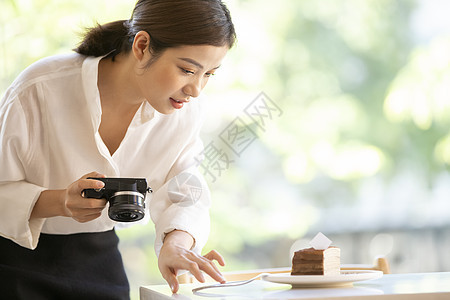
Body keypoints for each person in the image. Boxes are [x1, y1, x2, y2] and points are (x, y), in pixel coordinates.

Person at [0, 0, 236, 298]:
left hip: (100, 262)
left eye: (209, 74)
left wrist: (175, 245)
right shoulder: (40, 88)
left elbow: (184, 190)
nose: (196, 89)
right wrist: (61, 201)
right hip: (14, 263)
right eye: (187, 70)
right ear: (141, 46)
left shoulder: (184, 111)